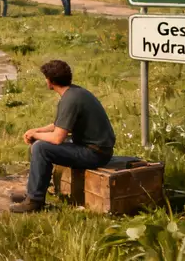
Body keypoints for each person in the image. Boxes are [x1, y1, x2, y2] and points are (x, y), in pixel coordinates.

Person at [11, 60, 115, 213]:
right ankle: (34, 191)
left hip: (95, 153)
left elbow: (57, 138)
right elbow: (60, 125)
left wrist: (37, 135)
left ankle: (34, 201)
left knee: (41, 148)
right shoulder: (74, 93)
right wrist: (36, 131)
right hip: (94, 147)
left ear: (50, 81)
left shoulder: (70, 100)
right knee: (38, 142)